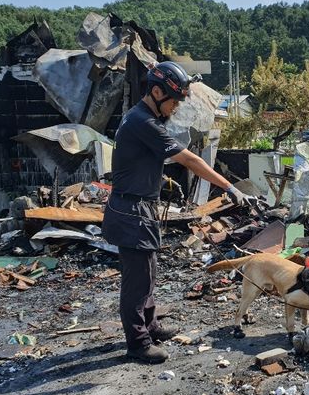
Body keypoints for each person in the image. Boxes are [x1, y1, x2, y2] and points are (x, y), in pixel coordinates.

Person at [102, 61, 253, 364]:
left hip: (139, 208)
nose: (175, 107)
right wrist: (230, 187)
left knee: (149, 273)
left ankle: (151, 326)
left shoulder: (143, 118)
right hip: (131, 211)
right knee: (137, 281)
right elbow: (189, 160)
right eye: (173, 100)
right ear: (156, 92)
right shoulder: (142, 122)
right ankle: (138, 343)